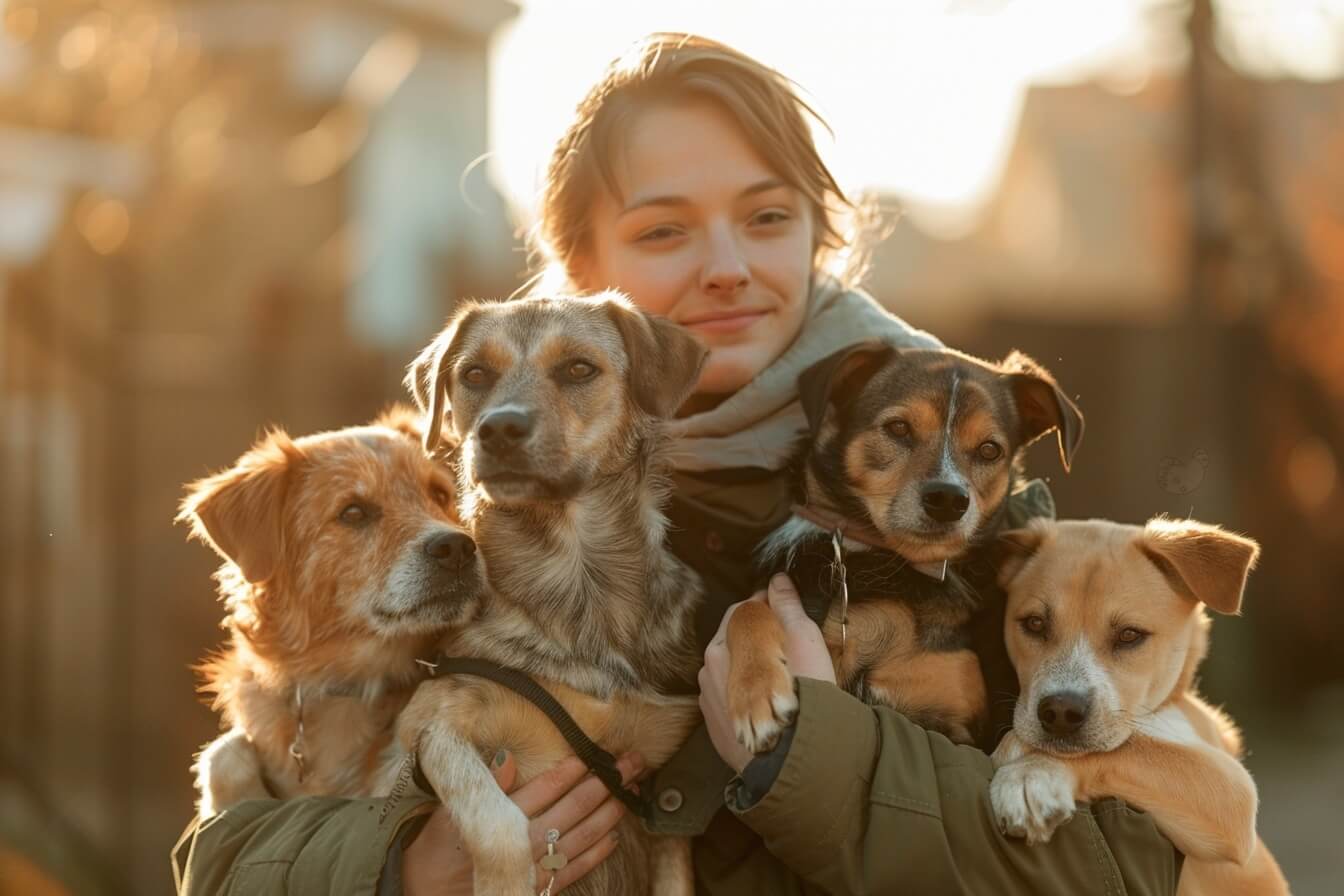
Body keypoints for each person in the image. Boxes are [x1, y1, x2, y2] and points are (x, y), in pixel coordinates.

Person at [173, 34, 1181, 895]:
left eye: (769, 216)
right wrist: (403, 863)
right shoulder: (464, 537)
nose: (728, 265)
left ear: (822, 234)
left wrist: (818, 745)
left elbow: (1134, 857)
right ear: (577, 268)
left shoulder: (959, 501)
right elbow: (224, 849)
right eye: (663, 229)